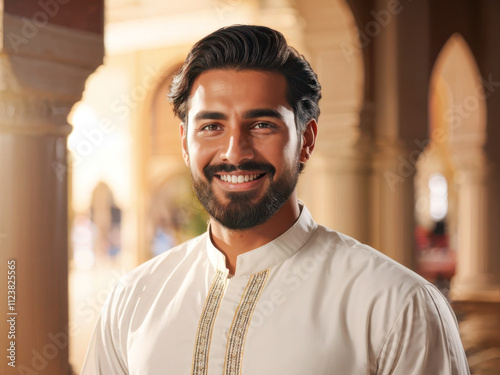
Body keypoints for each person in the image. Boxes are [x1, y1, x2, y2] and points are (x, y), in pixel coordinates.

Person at [81, 25, 470, 374]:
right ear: (186, 143)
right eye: (212, 126)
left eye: (262, 125)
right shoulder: (133, 300)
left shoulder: (396, 305)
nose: (234, 151)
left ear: (307, 139)